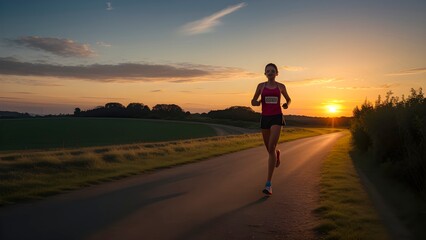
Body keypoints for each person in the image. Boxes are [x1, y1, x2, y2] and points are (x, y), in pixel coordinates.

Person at [251, 63, 291, 195]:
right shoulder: (261, 86)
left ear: (276, 73)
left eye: (272, 71)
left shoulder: (281, 86)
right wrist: (256, 103)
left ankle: (268, 184)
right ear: (265, 73)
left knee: (271, 147)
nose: (270, 72)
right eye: (267, 71)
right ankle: (277, 154)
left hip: (277, 118)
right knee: (270, 150)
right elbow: (253, 100)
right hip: (265, 118)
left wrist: (286, 104)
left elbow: (289, 99)